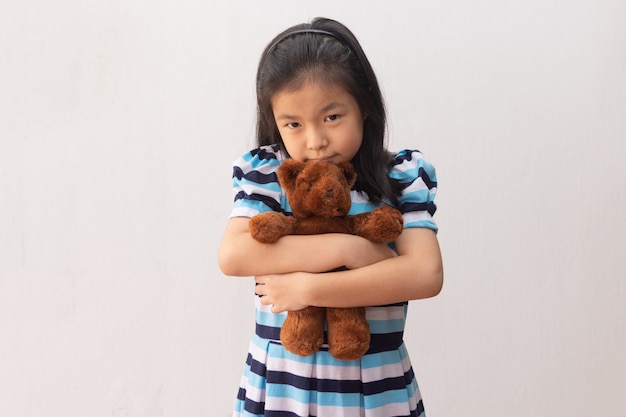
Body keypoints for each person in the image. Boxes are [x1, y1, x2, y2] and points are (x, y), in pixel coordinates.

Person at [218, 17, 443, 417]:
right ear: (275, 122)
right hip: (282, 385)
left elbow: (424, 275)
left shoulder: (401, 177)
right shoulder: (271, 176)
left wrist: (309, 289)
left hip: (376, 387)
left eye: (331, 117)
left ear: (366, 107)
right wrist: (351, 248)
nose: (315, 140)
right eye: (294, 124)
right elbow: (235, 255)